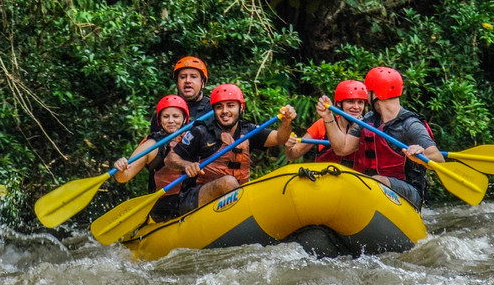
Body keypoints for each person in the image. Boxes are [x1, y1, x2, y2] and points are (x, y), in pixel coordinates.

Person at [316, 66, 444, 209]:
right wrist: (328, 117)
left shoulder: (410, 124)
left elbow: (439, 158)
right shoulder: (369, 120)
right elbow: (342, 148)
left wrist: (420, 155)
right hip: (370, 187)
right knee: (363, 181)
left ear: (376, 94)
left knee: (377, 181)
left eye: (368, 92)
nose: (366, 98)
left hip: (408, 192)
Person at [165, 83, 297, 214]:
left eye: (230, 105)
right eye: (219, 107)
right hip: (196, 196)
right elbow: (170, 159)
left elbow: (280, 138)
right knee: (228, 182)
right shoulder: (200, 131)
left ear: (241, 108)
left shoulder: (248, 130)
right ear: (213, 110)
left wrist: (286, 122)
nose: (224, 111)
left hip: (238, 193)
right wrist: (187, 165)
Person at [113, 95, 190, 222]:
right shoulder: (152, 145)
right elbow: (123, 177)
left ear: (184, 119)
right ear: (160, 120)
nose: (171, 121)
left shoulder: (195, 136)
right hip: (165, 206)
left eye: (175, 116)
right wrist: (120, 168)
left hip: (191, 196)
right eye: (166, 117)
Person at [285, 80, 367, 165]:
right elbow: (292, 155)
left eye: (360, 102)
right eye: (350, 101)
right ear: (339, 103)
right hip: (325, 176)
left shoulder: (368, 128)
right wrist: (288, 147)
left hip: (356, 177)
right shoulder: (322, 125)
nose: (356, 107)